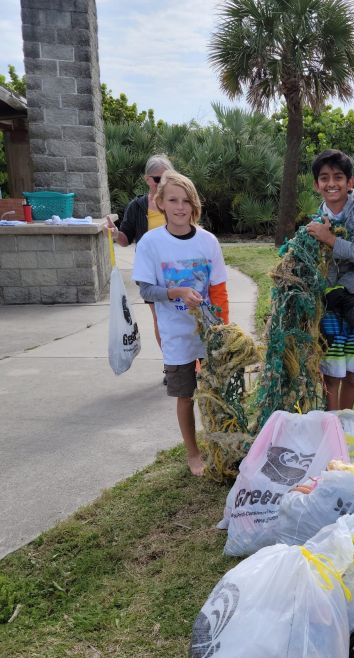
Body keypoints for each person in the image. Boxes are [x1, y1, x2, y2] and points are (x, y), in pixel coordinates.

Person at [132, 170, 229, 477]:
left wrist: (222, 331)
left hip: (209, 334)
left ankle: (220, 443)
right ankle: (193, 453)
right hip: (177, 336)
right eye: (172, 200)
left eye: (186, 200)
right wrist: (176, 292)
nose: (180, 207)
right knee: (185, 396)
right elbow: (146, 289)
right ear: (160, 202)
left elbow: (218, 290)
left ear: (194, 204)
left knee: (216, 392)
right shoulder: (151, 243)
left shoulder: (208, 241)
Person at [306, 149, 354, 411]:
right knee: (331, 372)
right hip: (329, 307)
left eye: (338, 177)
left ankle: (346, 423)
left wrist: (331, 240)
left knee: (351, 373)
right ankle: (331, 426)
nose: (331, 183)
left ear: (350, 182)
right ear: (317, 185)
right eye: (324, 178)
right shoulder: (315, 222)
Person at [105, 153, 173, 354]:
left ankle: (190, 365)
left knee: (184, 319)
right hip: (151, 274)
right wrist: (116, 233)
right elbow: (126, 240)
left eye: (168, 177)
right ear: (147, 179)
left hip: (179, 270)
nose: (163, 183)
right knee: (161, 320)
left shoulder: (176, 201)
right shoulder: (137, 207)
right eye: (158, 179)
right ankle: (170, 365)